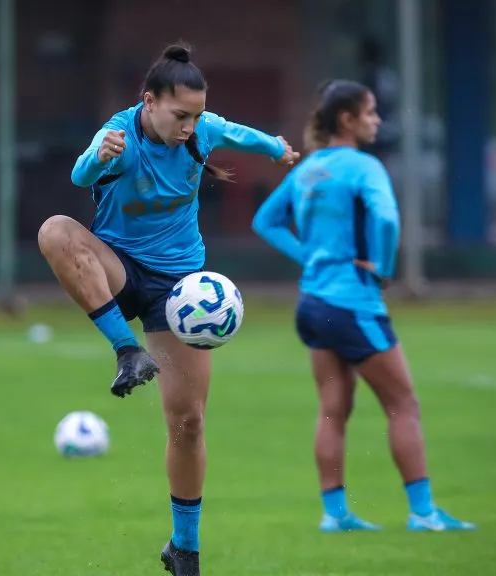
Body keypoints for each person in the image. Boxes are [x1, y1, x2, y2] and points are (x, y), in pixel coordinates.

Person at [37, 43, 300, 574]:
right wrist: (97, 157)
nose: (189, 126)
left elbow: (238, 133)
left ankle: (184, 548)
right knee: (55, 232)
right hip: (118, 268)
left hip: (177, 291)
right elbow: (80, 177)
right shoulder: (119, 134)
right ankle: (125, 349)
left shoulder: (200, 131)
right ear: (149, 101)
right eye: (180, 114)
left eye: (196, 115)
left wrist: (276, 149)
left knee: (189, 422)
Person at [251, 79, 475, 533]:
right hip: (351, 303)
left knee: (332, 410)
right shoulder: (364, 167)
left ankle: (335, 515)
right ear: (348, 120)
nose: (377, 120)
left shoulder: (309, 169)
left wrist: (309, 257)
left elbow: (266, 221)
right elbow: (387, 218)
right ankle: (424, 514)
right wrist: (383, 268)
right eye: (371, 113)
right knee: (404, 404)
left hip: (312, 303)